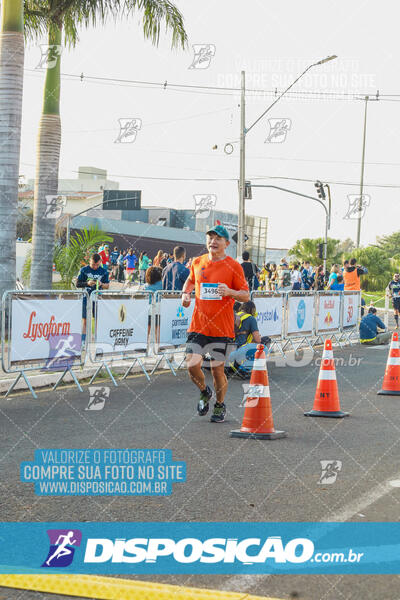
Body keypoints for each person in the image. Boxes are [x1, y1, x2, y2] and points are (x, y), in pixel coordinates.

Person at [181, 225, 249, 423]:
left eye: (218, 238)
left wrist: (230, 292)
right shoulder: (197, 261)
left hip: (222, 328)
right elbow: (190, 282)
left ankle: (219, 405)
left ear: (227, 244)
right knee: (192, 365)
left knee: (218, 369)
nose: (213, 241)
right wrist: (185, 294)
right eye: (210, 237)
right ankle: (205, 391)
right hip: (199, 325)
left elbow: (246, 295)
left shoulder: (234, 266)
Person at [76, 253, 109, 332]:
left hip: (97, 298)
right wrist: (87, 283)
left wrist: (102, 284)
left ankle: (97, 339)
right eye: (93, 264)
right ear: (90, 261)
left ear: (100, 262)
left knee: (98, 319)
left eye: (97, 265)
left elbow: (107, 285)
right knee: (85, 319)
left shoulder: (103, 271)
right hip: (86, 297)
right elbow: (77, 284)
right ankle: (84, 341)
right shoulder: (84, 270)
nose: (95, 267)